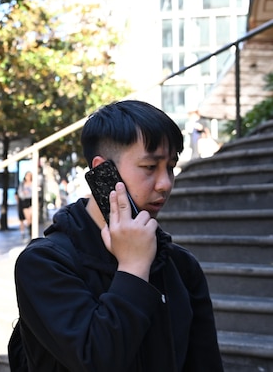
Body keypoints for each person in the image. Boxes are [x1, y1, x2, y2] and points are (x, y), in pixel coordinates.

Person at [12, 100, 222, 371]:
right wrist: (134, 269)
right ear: (103, 171)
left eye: (170, 167)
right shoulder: (44, 263)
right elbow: (97, 360)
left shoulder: (180, 266)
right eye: (149, 167)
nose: (165, 183)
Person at [16, 171, 34, 237]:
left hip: (32, 201)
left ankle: (31, 230)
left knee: (32, 217)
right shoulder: (22, 184)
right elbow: (20, 193)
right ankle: (29, 230)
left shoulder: (33, 183)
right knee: (28, 218)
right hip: (25, 202)